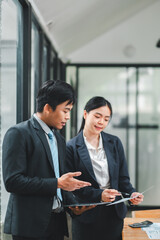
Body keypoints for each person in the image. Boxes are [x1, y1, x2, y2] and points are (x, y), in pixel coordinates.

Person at [2, 80, 91, 240]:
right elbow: (12, 181)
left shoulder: (58, 138)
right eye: (65, 111)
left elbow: (60, 178)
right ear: (48, 107)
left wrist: (72, 205)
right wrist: (57, 183)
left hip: (56, 222)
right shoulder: (18, 133)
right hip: (29, 227)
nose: (68, 117)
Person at [65, 96, 144, 240]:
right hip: (86, 218)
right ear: (85, 114)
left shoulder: (114, 143)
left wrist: (131, 194)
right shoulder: (71, 147)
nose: (101, 122)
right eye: (97, 116)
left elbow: (123, 179)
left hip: (114, 215)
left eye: (106, 119)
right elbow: (72, 187)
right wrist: (99, 195)